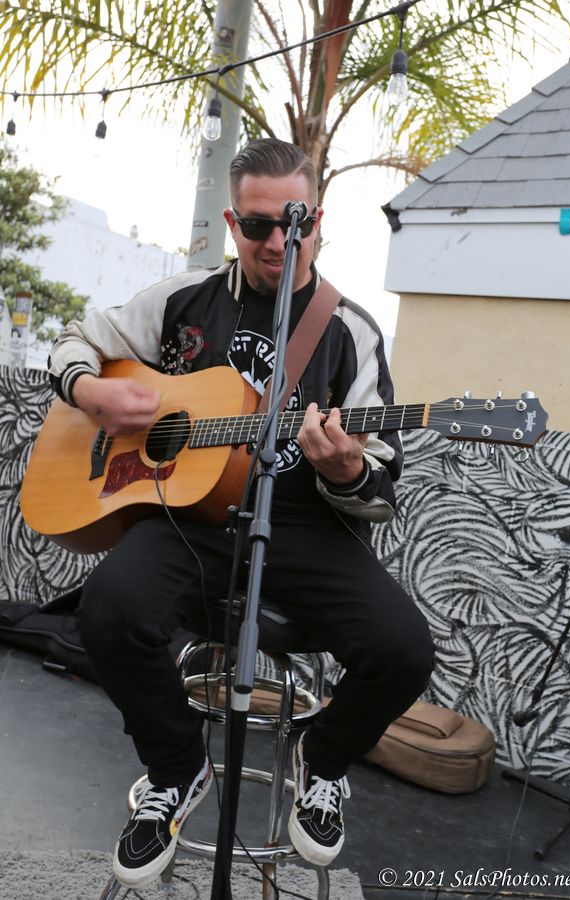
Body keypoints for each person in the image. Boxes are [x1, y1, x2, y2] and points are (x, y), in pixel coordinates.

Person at [48, 138, 435, 888]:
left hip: (305, 528)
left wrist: (346, 468)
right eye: (259, 225)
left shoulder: (349, 331)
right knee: (108, 608)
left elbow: (381, 486)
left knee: (404, 649)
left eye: (297, 222)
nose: (280, 241)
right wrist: (92, 393)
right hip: (188, 521)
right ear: (232, 223)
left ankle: (323, 760)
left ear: (318, 219)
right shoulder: (183, 300)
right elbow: (78, 341)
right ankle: (176, 768)